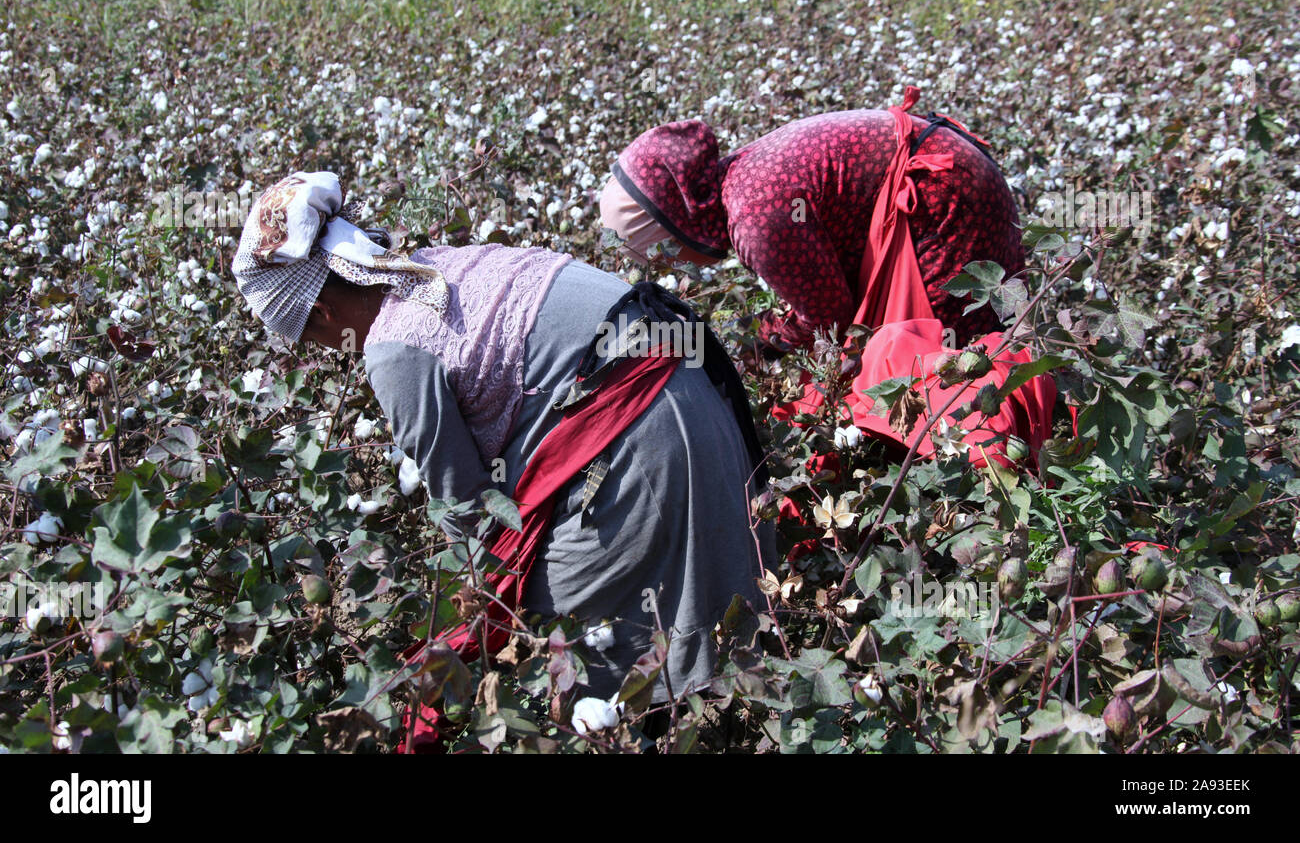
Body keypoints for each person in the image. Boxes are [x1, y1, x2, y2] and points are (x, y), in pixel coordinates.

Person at [232, 171, 774, 751]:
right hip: (696, 392)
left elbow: (464, 508)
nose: (330, 354)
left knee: (555, 620)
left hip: (646, 438)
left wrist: (471, 611)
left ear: (317, 317)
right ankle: (714, 717)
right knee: (686, 612)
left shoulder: (392, 348)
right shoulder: (442, 263)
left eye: (312, 340)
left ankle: (651, 730)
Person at [601, 86, 1055, 468]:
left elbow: (833, 318)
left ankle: (1005, 474)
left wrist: (766, 344)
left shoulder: (754, 218)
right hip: (951, 167)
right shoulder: (741, 177)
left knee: (948, 363)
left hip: (944, 200)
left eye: (664, 255)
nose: (675, 269)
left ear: (676, 224)